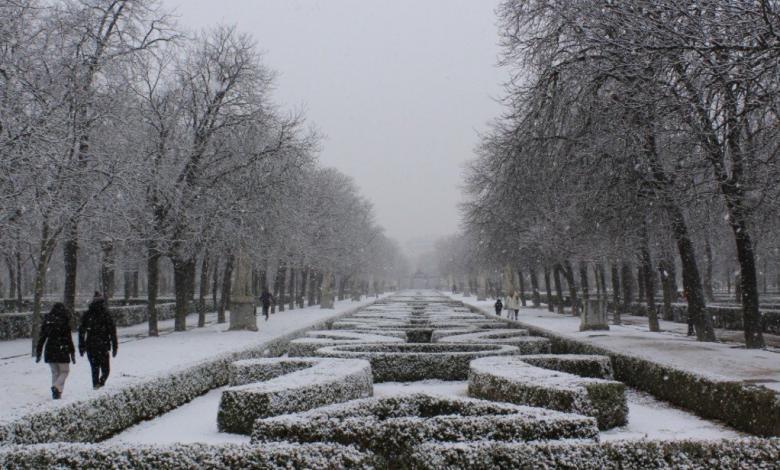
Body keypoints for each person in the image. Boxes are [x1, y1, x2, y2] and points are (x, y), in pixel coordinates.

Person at [36, 303, 76, 399]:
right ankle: (57, 387)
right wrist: (72, 353)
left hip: (50, 349)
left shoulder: (47, 322)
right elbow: (69, 339)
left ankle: (57, 393)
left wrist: (39, 352)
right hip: (62, 349)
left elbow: (42, 338)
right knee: (65, 371)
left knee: (55, 372)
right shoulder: (64, 322)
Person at [78, 292, 118, 389]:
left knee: (94, 368)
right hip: (103, 345)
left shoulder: (88, 314)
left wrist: (81, 345)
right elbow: (112, 331)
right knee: (106, 369)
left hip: (91, 345)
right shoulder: (106, 314)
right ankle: (101, 382)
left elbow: (81, 331)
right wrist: (114, 346)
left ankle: (95, 385)